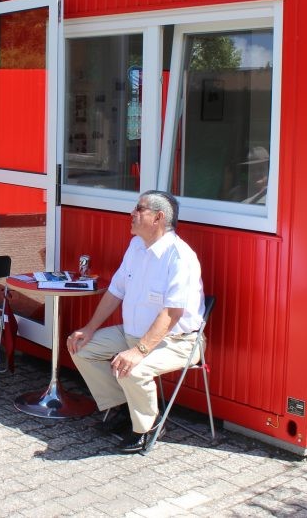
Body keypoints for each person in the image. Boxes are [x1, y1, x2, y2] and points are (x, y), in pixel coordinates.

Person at [67, 190, 205, 455]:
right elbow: (115, 291)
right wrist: (89, 328)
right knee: (81, 347)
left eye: (139, 209)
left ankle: (148, 426)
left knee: (133, 369)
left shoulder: (180, 257)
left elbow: (172, 313)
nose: (132, 213)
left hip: (175, 342)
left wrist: (139, 351)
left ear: (158, 218)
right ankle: (125, 408)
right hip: (132, 334)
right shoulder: (137, 246)